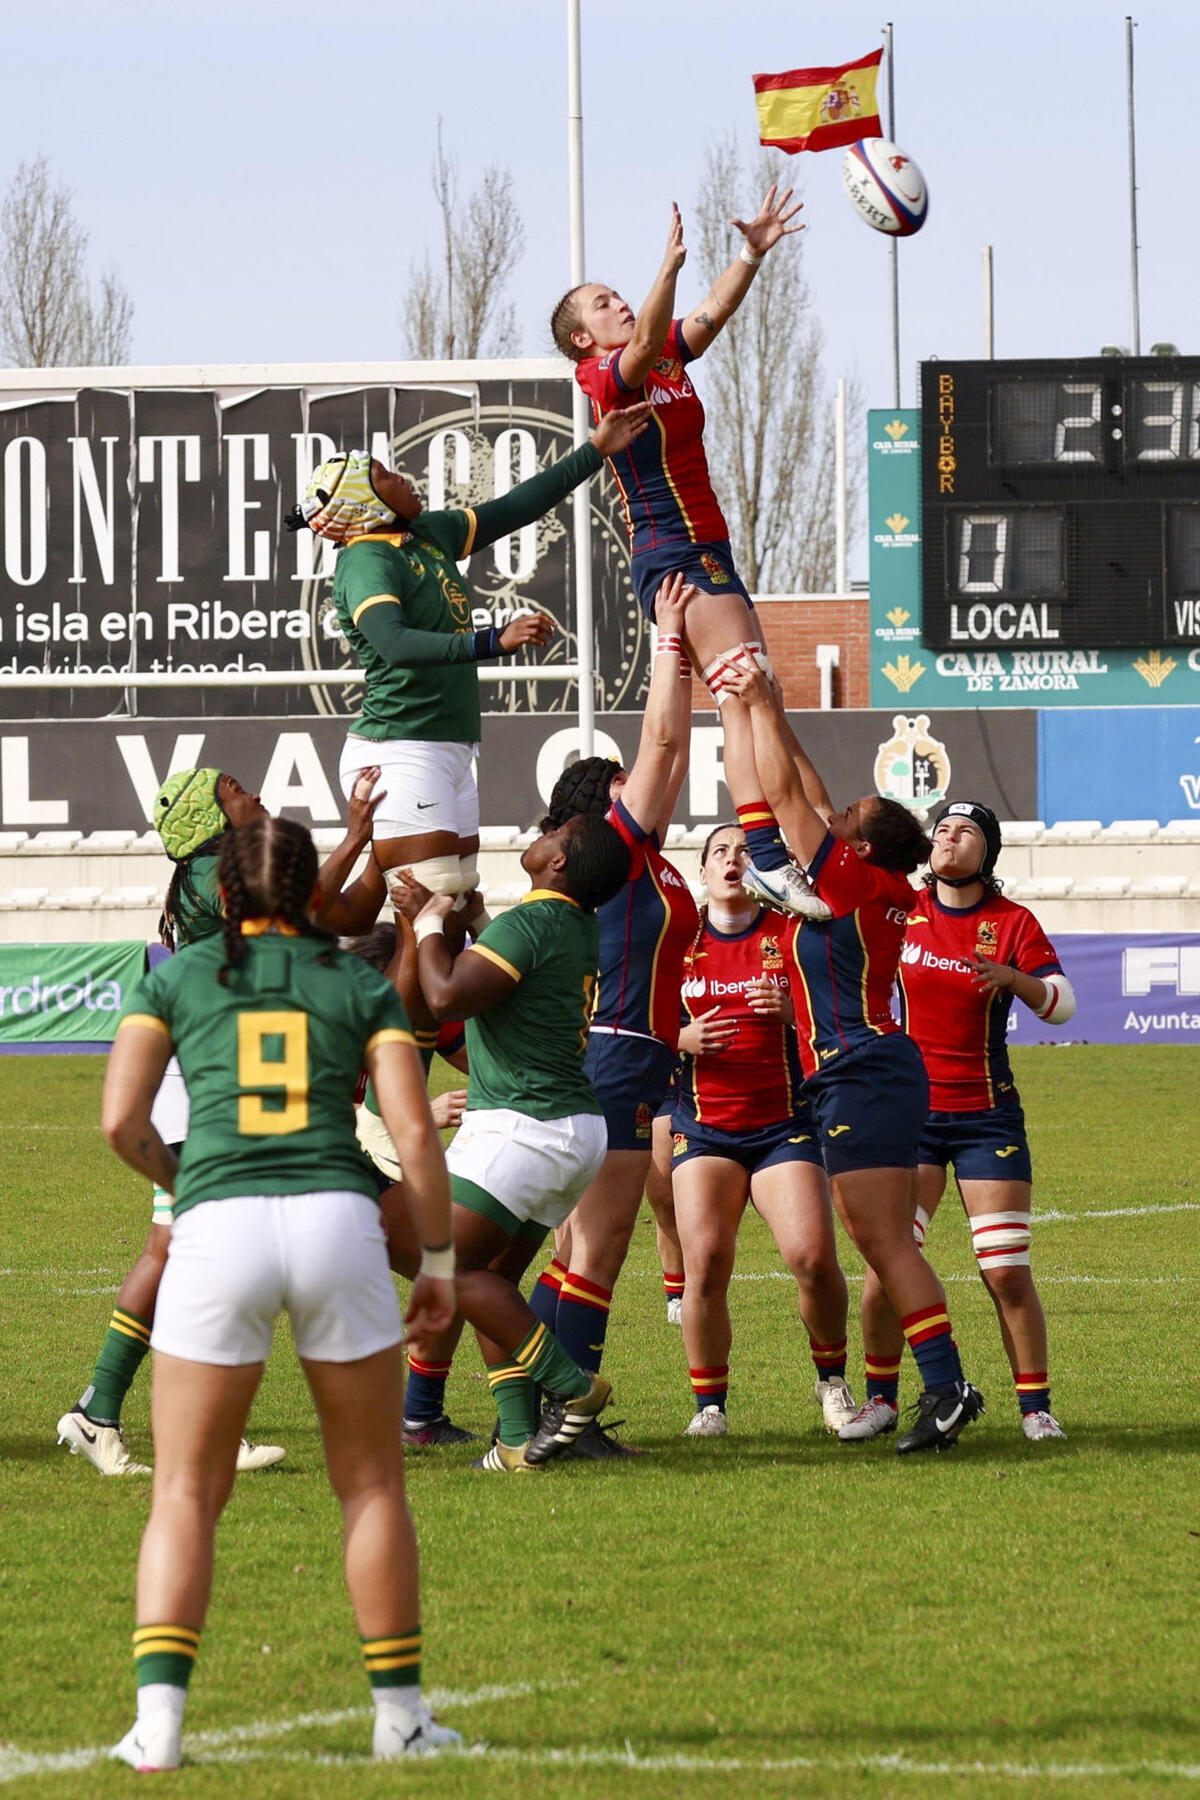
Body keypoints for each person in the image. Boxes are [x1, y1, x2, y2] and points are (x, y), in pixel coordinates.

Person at [101, 817, 461, 1770]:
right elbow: (415, 1138)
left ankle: (160, 1729)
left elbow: (119, 1122)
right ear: (312, 897)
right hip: (338, 1218)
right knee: (373, 1485)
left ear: (222, 897)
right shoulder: (351, 981)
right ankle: (402, 1719)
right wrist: (438, 1263)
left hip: (217, 1226)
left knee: (183, 1490)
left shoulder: (174, 976)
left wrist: (184, 1179)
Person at [56, 767, 384, 1478]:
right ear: (208, 814)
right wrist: (359, 838)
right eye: (233, 786)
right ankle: (124, 1411)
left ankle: (104, 1411)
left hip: (197, 1072)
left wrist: (372, 849)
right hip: (198, 1079)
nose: (252, 791)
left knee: (175, 1248)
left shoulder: (209, 873)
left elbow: (341, 914)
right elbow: (319, 907)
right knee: (179, 1247)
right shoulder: (213, 871)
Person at [725, 663, 986, 1454]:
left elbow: (784, 798)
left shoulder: (856, 884)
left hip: (862, 1070)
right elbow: (799, 785)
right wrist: (761, 707)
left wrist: (762, 707)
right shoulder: (863, 879)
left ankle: (946, 1390)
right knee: (882, 1240)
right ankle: (939, 1388)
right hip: (865, 1071)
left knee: (883, 1244)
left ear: (862, 845)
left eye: (845, 817)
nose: (829, 815)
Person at [550, 193, 829, 921]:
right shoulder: (605, 376)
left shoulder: (666, 353)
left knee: (754, 697)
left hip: (710, 546)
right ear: (584, 339)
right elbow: (642, 345)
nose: (619, 307)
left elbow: (710, 313)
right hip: (670, 548)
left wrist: (752, 253)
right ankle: (767, 857)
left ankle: (782, 852)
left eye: (620, 297)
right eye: (604, 303)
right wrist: (665, 267)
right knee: (743, 690)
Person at [287, 403, 652, 908]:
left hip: (448, 747)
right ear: (364, 503)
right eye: (384, 475)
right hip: (401, 749)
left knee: (453, 905)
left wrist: (594, 450)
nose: (401, 477)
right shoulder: (365, 558)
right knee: (432, 910)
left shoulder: (424, 535)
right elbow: (394, 644)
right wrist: (490, 641)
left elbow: (515, 508)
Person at [394, 810, 633, 1472]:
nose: (545, 828)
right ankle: (517, 1438)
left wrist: (426, 921)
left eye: (559, 831)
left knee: (447, 1269)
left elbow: (444, 996)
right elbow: (505, 974)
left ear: (559, 862)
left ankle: (572, 1388)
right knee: (493, 1280)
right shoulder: (565, 922)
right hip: (566, 1128)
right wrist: (471, 923)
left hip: (524, 1126)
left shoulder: (532, 924)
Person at [522, 574, 699, 1455]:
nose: (650, 790)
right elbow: (665, 744)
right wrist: (672, 644)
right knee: (597, 1244)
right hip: (617, 1055)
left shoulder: (646, 864)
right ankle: (560, 1418)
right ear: (604, 809)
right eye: (626, 786)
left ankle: (534, 1411)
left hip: (629, 1056)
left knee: (584, 1246)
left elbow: (662, 757)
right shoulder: (618, 856)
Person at [848, 802, 1075, 1443]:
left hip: (986, 1119)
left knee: (1004, 1268)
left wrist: (1017, 980)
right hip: (908, 1117)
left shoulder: (1012, 922)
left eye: (967, 831)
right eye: (943, 828)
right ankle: (882, 1397)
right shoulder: (901, 909)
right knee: (888, 1262)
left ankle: (1035, 1408)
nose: (950, 837)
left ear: (989, 854)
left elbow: (1063, 1004)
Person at [670, 825, 855, 1438]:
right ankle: (709, 1406)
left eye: (744, 851)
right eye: (719, 851)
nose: (732, 860)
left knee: (812, 1258)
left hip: (784, 1126)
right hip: (704, 1129)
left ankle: (832, 1381)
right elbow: (633, 1021)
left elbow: (839, 1016)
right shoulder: (676, 942)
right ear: (702, 872)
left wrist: (796, 1015)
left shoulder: (790, 935)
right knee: (706, 1263)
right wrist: (681, 1038)